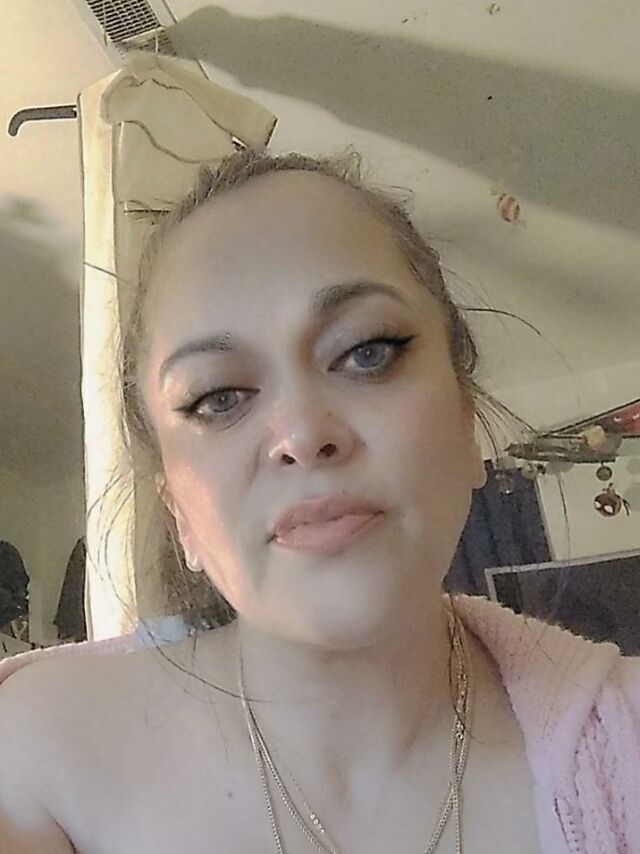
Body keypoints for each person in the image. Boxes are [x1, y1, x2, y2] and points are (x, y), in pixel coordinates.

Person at [1, 147, 639, 854]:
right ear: (178, 511)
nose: (303, 435)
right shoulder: (33, 762)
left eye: (367, 351)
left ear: (466, 422)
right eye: (219, 398)